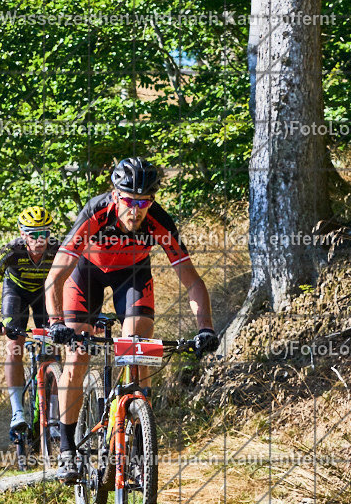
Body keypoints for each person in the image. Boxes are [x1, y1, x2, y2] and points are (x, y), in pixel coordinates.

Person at [44, 157, 220, 482]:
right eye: (129, 201)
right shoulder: (96, 212)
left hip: (133, 276)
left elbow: (192, 280)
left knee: (138, 351)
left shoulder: (158, 220)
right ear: (115, 195)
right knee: (77, 355)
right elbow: (55, 277)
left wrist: (205, 328)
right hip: (86, 274)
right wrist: (56, 323)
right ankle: (67, 449)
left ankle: (138, 445)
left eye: (144, 202)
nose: (136, 210)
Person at [0, 206, 59, 438]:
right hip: (16, 294)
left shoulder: (57, 250)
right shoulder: (11, 251)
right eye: (33, 234)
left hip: (45, 294)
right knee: (14, 346)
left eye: (44, 233)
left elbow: (74, 281)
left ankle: (54, 416)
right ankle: (17, 412)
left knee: (53, 349)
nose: (39, 240)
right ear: (23, 234)